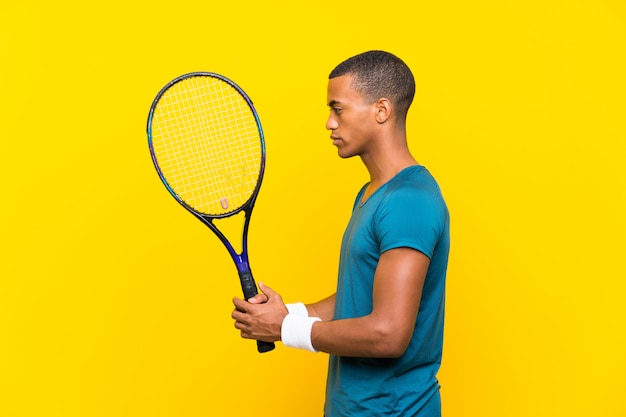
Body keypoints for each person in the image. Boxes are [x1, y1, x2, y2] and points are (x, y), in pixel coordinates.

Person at [232, 50, 450, 417]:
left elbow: (388, 333)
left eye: (339, 109)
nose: (329, 124)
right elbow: (360, 295)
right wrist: (292, 313)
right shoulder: (372, 194)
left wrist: (286, 329)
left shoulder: (409, 202)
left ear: (381, 110)